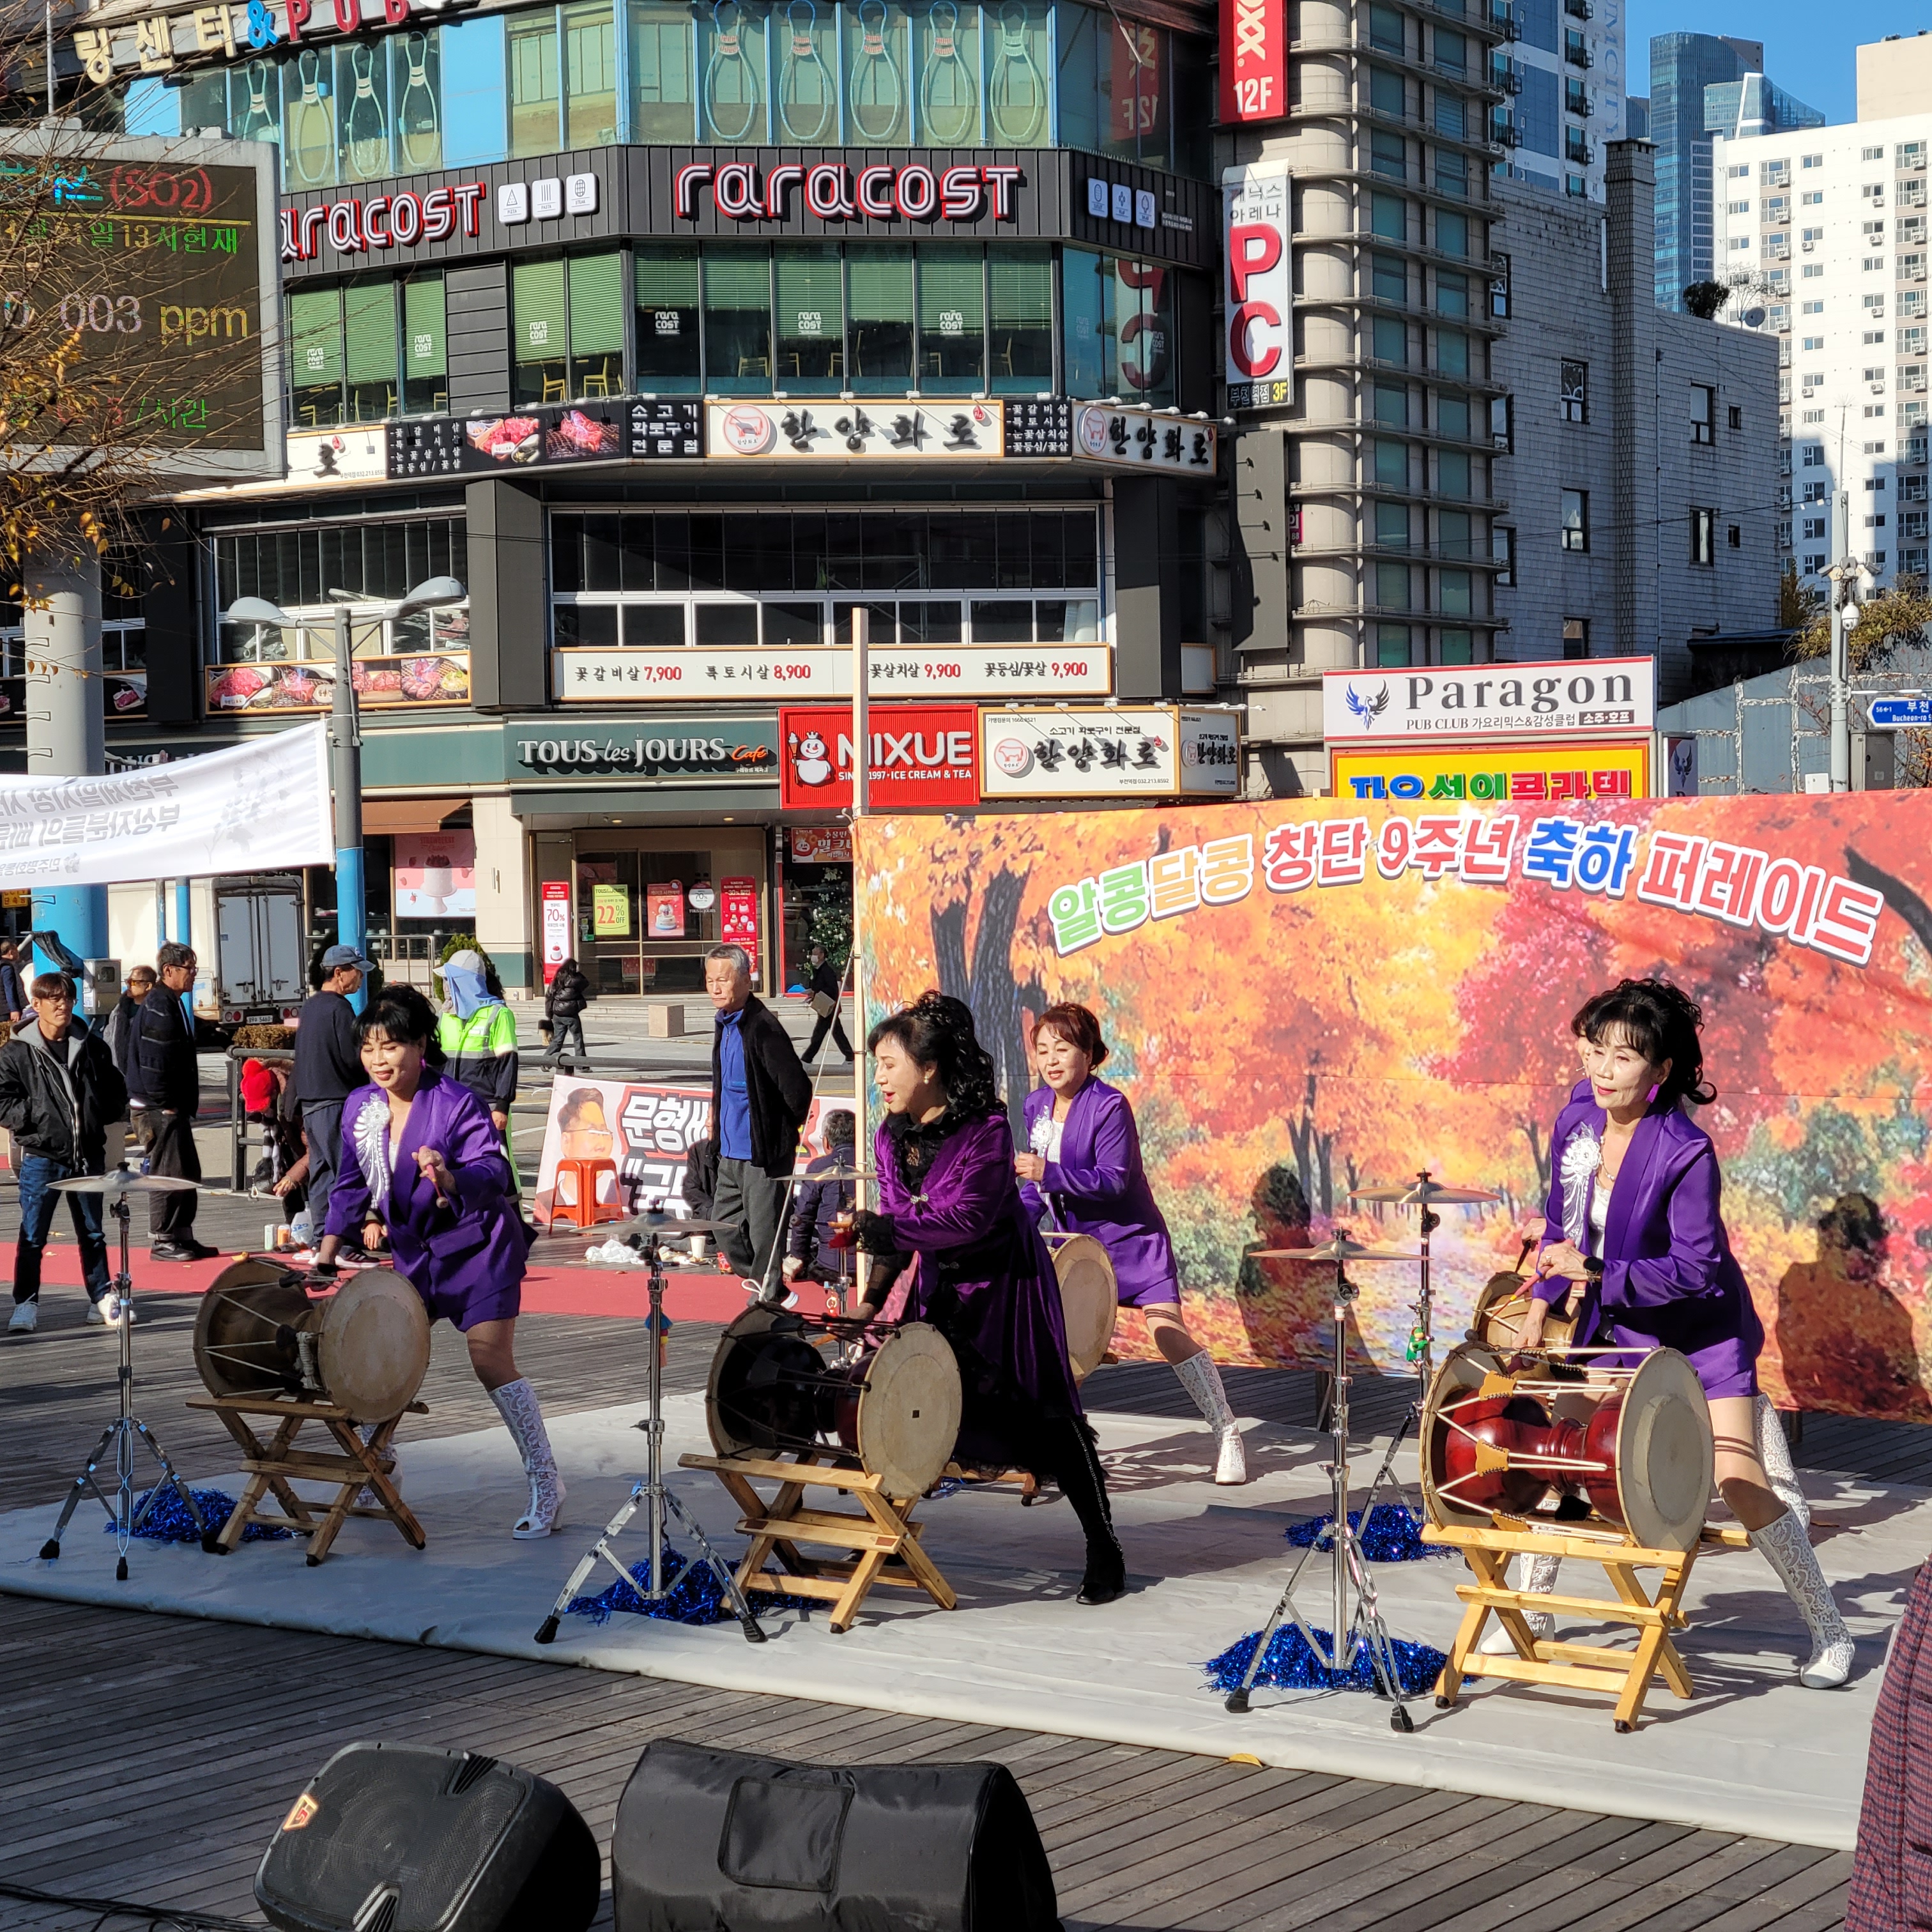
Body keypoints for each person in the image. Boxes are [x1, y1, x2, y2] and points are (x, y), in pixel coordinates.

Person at [1508, 978, 1853, 1689]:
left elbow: (1696, 1271)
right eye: (1595, 1050)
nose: (1603, 1070)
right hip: (1616, 1323)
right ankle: (1529, 1616)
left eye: (1624, 1057)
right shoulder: (1576, 1120)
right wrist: (1543, 1301)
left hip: (1700, 1330)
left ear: (1662, 1070)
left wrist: (1593, 1271)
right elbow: (1562, 1223)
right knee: (1560, 1455)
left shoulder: (1685, 1152)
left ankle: (1829, 1628)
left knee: (1738, 1483)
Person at [850, 992, 1124, 1606]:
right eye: (877, 1066)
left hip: (1007, 1290)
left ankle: (1103, 1545)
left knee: (1044, 1417)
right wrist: (871, 1302)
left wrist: (888, 1230)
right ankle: (883, 1532)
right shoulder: (891, 1135)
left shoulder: (987, 1131)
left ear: (929, 1068)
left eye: (889, 1065)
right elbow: (899, 1229)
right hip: (939, 1289)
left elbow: (968, 1220)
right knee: (909, 1402)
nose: (880, 1078)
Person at [314, 985, 564, 1539]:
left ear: (421, 1045)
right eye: (369, 1048)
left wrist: (450, 1176)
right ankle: (382, 1467)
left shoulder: (456, 1102)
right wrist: (327, 1250)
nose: (379, 1059)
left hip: (479, 1249)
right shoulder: (360, 1106)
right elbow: (350, 1183)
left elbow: (494, 1170)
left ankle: (546, 1482)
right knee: (384, 1356)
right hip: (416, 1254)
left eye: (392, 1046)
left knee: (490, 1362)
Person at [1015, 1002, 1246, 1485]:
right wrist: (1015, 1224)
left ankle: (1226, 1429)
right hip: (1080, 1249)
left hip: (1132, 1240)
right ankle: (1055, 1445)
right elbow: (1035, 1190)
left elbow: (1114, 1180)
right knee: (1066, 1344)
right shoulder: (1036, 1105)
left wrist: (1047, 1173)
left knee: (1167, 1334)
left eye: (1063, 1049)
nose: (1051, 1060)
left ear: (1089, 1055)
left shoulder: (1110, 1105)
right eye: (1043, 1050)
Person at [2, 973, 129, 1333]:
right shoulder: (16, 1052)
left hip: (87, 1153)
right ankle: (26, 1302)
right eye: (54, 999)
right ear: (36, 1004)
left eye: (67, 999)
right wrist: (36, 1119)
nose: (62, 1005)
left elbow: (115, 1089)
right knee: (33, 1235)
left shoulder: (92, 1046)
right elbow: (3, 1100)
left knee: (93, 1232)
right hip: (42, 1155)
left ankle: (100, 1297)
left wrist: (99, 1113)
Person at [705, 944, 811, 1304]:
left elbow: (798, 1090)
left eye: (723, 979)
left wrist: (779, 1132)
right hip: (729, 1151)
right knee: (723, 1225)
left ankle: (766, 1303)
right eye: (710, 980)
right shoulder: (724, 1023)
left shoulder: (763, 1027)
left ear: (745, 980)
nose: (716, 987)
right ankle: (770, 1285)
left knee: (766, 1235)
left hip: (762, 1153)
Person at [123, 940, 218, 1262]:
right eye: (189, 968)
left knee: (186, 1170)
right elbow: (154, 1062)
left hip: (169, 1104)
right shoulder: (160, 1006)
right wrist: (166, 1103)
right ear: (168, 970)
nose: (193, 974)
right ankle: (163, 1238)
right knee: (167, 1171)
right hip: (158, 1107)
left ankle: (182, 1234)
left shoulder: (169, 1002)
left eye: (194, 968)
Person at [295, 945, 373, 1249]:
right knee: (347, 1174)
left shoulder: (310, 1006)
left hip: (311, 1102)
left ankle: (321, 1240)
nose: (361, 978)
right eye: (357, 971)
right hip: (337, 1101)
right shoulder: (340, 1009)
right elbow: (353, 1058)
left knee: (321, 1174)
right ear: (339, 973)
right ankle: (346, 1244)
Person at [437, 949, 519, 1172]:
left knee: (497, 1165)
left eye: (450, 979)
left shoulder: (498, 1014)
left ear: (466, 982)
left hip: (486, 1105)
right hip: (450, 1105)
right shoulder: (445, 1015)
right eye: (444, 980)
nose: (445, 986)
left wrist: (501, 1107)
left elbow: (508, 1064)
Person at [782, 1106, 860, 1307]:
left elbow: (803, 1217)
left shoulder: (819, 1167)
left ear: (826, 1142)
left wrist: (798, 1256)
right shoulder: (873, 1163)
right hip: (870, 1264)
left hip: (830, 1267)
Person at [802, 944, 854, 1064]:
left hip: (829, 1007)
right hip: (826, 1006)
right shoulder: (819, 970)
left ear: (822, 955)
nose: (813, 956)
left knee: (819, 1035)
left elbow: (832, 989)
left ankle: (807, 1058)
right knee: (836, 1033)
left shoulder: (827, 970)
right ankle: (850, 1056)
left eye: (815, 954)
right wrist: (813, 994)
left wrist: (816, 992)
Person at [100, 965, 154, 1073]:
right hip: (117, 1073)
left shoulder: (154, 1012)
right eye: (127, 981)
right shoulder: (119, 1009)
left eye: (133, 982)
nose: (128, 985)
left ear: (148, 986)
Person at [542, 958, 590, 1068]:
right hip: (571, 1015)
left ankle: (545, 1061)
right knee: (578, 1039)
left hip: (557, 1014)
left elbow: (549, 997)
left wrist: (549, 1014)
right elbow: (586, 983)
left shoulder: (556, 980)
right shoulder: (576, 981)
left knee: (558, 1040)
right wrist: (578, 974)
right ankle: (581, 1065)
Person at [0, 942, 25, 1030]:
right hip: (5, 1012)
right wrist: (14, 1009)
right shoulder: (7, 968)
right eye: (16, 951)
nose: (18, 954)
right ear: (11, 952)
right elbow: (9, 990)